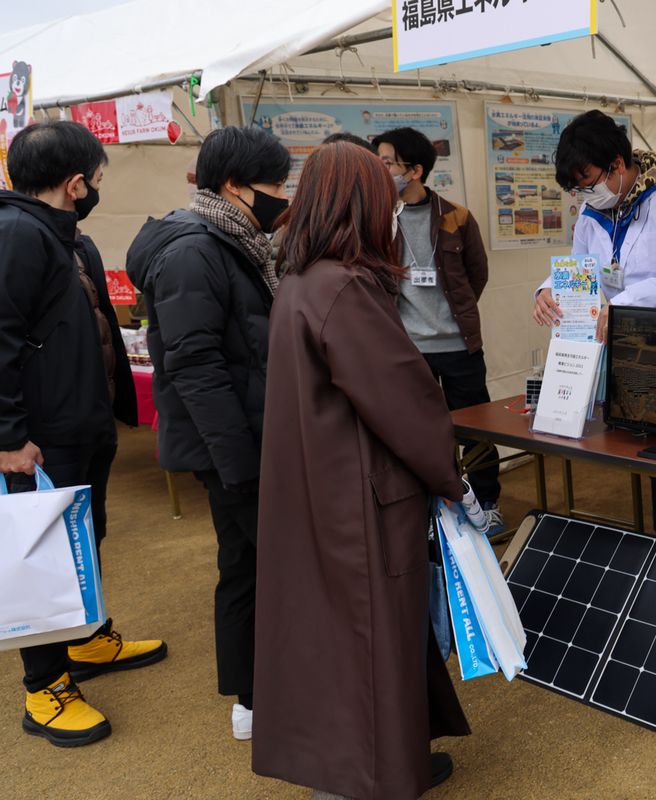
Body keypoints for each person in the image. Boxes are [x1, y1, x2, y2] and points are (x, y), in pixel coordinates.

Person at [253, 141, 469, 800]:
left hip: (318, 486)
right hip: (360, 495)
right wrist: (451, 479)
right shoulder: (344, 287)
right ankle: (371, 775)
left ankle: (373, 763)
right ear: (362, 206)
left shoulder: (301, 279)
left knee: (341, 640)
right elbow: (405, 400)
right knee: (374, 640)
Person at [0, 121, 166, 747]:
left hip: (80, 424)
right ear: (75, 183)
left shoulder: (70, 238)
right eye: (95, 179)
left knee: (85, 537)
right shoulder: (16, 234)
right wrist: (9, 437)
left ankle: (87, 639)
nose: (96, 187)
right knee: (42, 557)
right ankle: (44, 687)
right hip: (37, 438)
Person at [127, 125, 290, 741]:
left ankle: (252, 697)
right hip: (235, 446)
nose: (282, 194)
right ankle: (258, 697)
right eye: (273, 183)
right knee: (259, 566)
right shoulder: (197, 249)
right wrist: (241, 464)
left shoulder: (228, 237)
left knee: (245, 564)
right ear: (232, 185)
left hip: (242, 438)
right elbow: (195, 366)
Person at [533, 110, 656, 547]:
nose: (585, 195)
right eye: (577, 189)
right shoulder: (594, 213)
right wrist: (547, 290)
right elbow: (582, 270)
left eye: (588, 182)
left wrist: (623, 304)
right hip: (640, 355)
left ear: (618, 165)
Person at [374, 127, 501, 537]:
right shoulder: (377, 219)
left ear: (414, 170)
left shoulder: (456, 217)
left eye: (387, 162)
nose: (380, 167)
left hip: (460, 345)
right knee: (424, 434)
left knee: (477, 431)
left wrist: (453, 317)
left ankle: (488, 503)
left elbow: (477, 275)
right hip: (408, 350)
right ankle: (439, 511)